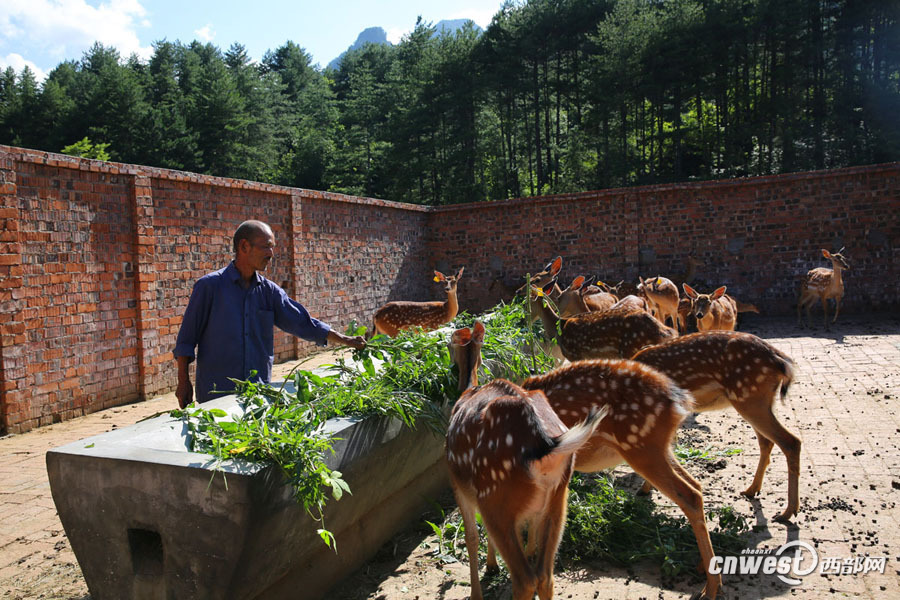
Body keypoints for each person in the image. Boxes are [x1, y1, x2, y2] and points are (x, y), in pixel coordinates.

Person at [173, 220, 366, 408]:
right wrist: (183, 382)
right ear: (244, 246)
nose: (271, 254)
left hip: (257, 395)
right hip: (216, 395)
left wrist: (346, 340)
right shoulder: (209, 287)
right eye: (266, 247)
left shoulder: (269, 292)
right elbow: (186, 340)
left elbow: (302, 323)